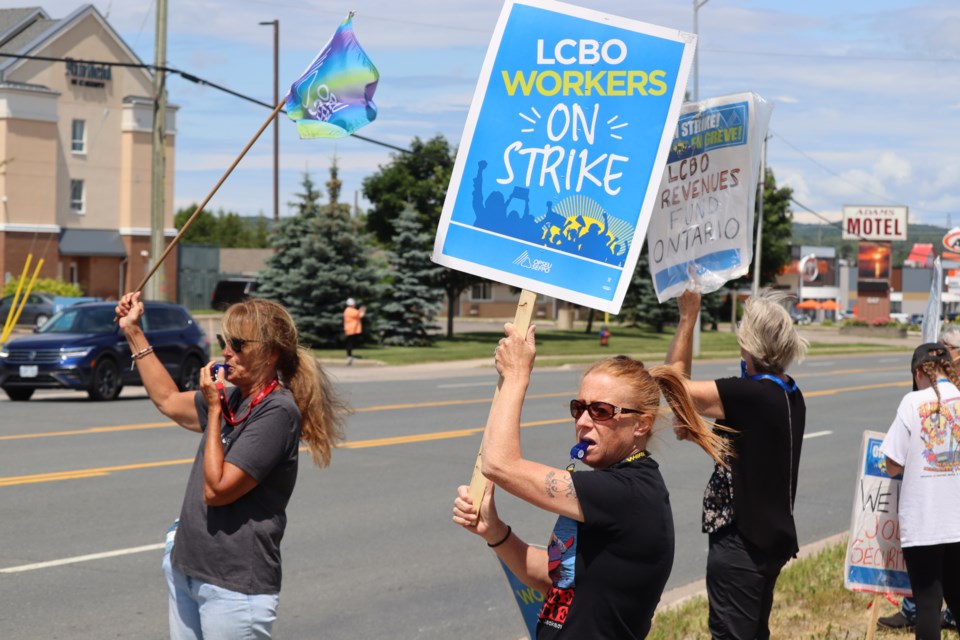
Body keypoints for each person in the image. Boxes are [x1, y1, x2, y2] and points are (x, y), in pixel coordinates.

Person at [452, 322, 730, 638]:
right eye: (579, 408)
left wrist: (516, 375)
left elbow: (500, 464)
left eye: (600, 411)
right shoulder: (615, 485)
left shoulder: (629, 493)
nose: (583, 422)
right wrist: (495, 531)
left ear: (641, 424)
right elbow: (552, 578)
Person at [115, 291, 347, 639]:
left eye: (238, 344)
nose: (226, 352)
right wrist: (133, 331)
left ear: (270, 353)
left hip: (235, 588)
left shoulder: (277, 412)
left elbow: (217, 490)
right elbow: (167, 400)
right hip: (188, 567)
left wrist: (212, 411)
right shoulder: (235, 396)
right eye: (225, 341)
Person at [667, 289, 808, 640]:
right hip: (766, 540)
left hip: (741, 543)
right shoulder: (786, 392)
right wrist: (700, 432)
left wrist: (688, 317)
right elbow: (751, 453)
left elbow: (673, 386)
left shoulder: (753, 395)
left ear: (748, 343)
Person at [880, 343, 960, 640]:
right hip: (958, 520)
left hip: (925, 521)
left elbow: (891, 464)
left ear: (918, 372)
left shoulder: (912, 402)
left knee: (927, 607)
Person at [343, 297, 366, 364]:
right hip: (352, 329)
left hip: (349, 328)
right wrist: (363, 310)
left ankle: (350, 355)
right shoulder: (351, 310)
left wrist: (360, 310)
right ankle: (349, 356)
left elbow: (357, 313)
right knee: (350, 343)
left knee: (350, 342)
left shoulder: (348, 310)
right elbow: (360, 315)